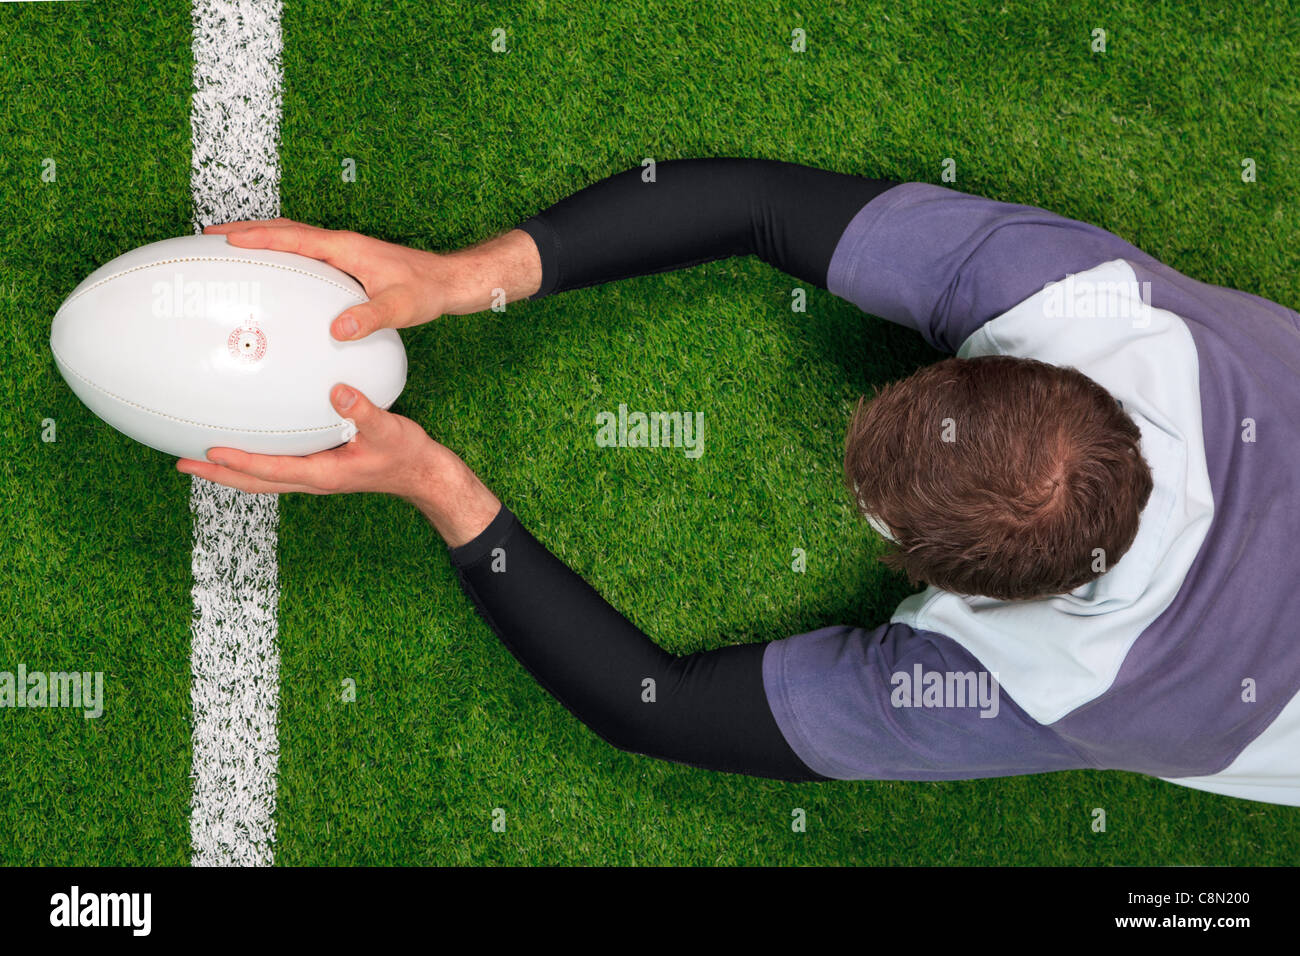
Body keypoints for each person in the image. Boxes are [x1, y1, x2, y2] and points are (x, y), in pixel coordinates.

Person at [180, 158, 1300, 805]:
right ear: (1021, 369)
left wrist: (439, 487)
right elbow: (758, 205)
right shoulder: (1076, 298)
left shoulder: (1043, 686)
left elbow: (654, 708)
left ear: (979, 604)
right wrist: (468, 276)